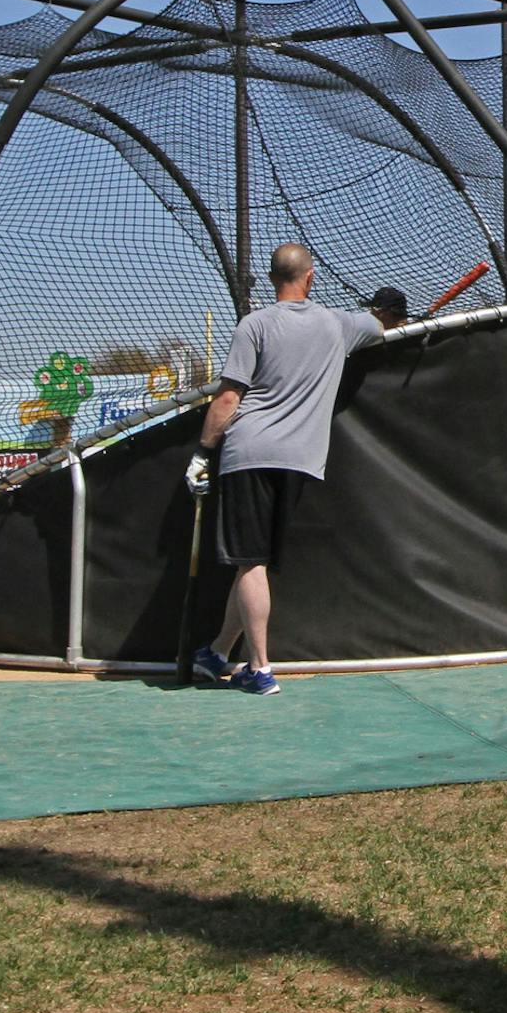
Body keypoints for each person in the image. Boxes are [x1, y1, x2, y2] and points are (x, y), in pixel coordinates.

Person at [183, 246, 400, 695]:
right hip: (301, 460)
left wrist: (203, 452)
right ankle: (219, 652)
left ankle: (259, 667)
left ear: (270, 278)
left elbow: (228, 399)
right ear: (311, 277)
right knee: (253, 564)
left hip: (250, 453)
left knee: (250, 563)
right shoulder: (337, 324)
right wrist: (387, 307)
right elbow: (384, 320)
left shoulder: (255, 324)